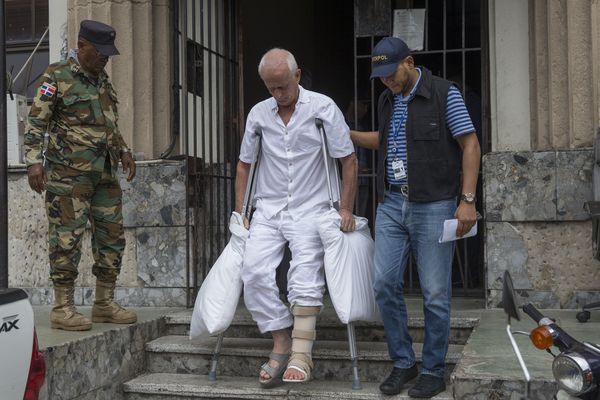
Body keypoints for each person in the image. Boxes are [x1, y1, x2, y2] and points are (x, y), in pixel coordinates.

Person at [350, 37, 481, 398]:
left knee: (435, 293)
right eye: (381, 77)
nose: (387, 82)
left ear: (408, 62)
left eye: (391, 74)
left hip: (435, 203)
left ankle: (433, 369)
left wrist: (467, 200)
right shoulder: (386, 99)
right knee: (384, 284)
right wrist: (344, 135)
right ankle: (404, 363)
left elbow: (469, 143)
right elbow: (387, 138)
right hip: (392, 203)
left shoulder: (444, 93)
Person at [235, 48, 357, 386]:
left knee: (303, 275)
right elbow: (245, 164)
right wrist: (239, 212)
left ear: (297, 76)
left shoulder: (322, 108)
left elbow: (348, 159)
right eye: (271, 88)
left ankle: (302, 353)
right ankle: (281, 340)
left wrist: (345, 208)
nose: (278, 95)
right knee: (253, 271)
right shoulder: (259, 115)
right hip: (270, 208)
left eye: (283, 87)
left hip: (312, 207)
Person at [24, 20, 137, 331]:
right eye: (99, 52)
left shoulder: (103, 82)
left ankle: (104, 303)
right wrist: (34, 162)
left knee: (112, 238)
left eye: (108, 55)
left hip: (104, 175)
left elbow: (109, 125)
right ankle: (62, 308)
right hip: (67, 176)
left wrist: (124, 151)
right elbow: (36, 123)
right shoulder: (57, 76)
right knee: (66, 241)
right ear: (82, 44)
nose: (104, 59)